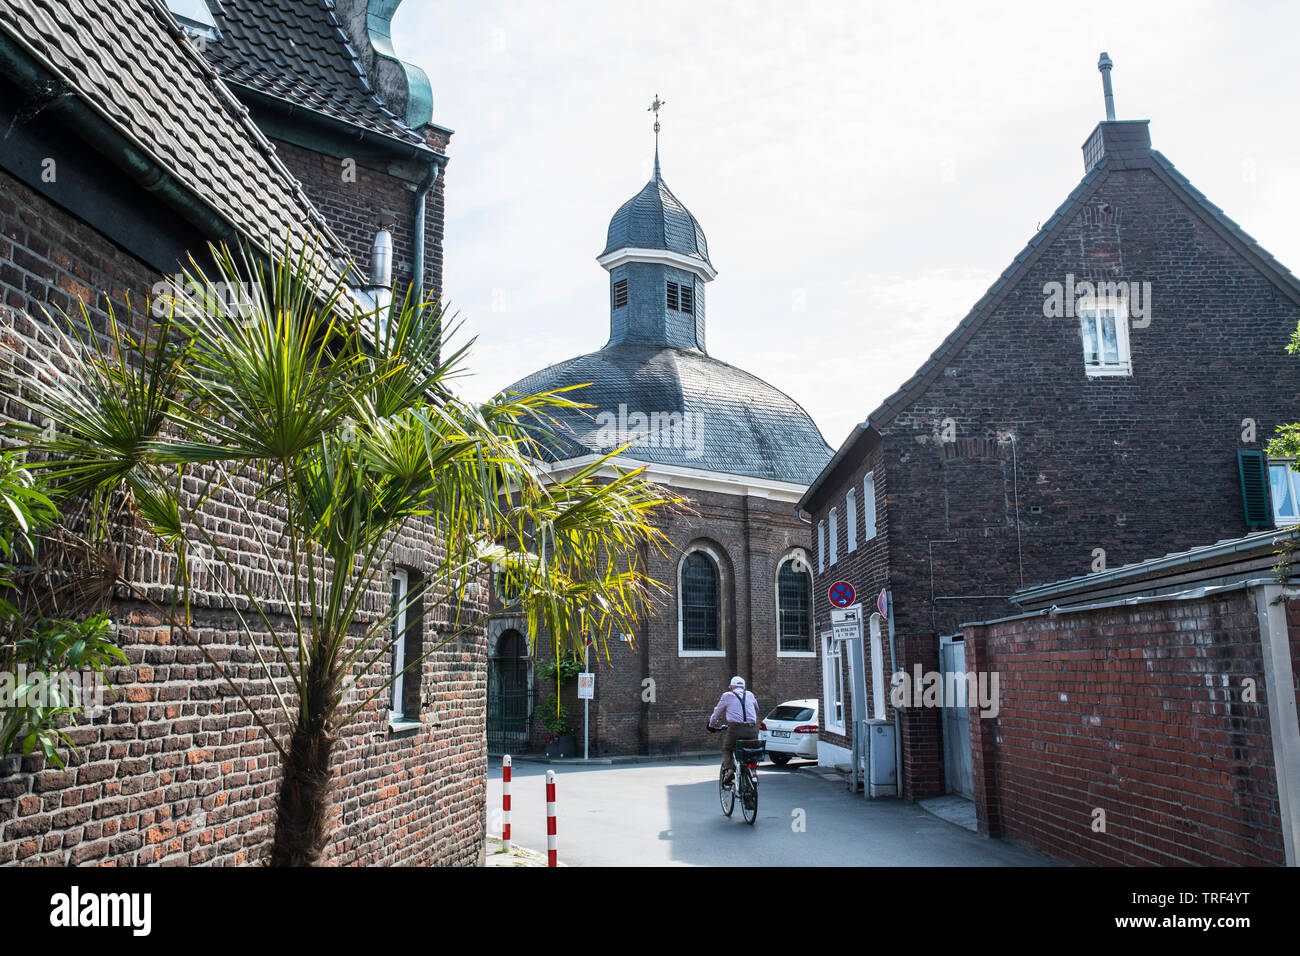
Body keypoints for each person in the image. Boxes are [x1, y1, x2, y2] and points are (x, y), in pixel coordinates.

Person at [708, 676, 759, 785]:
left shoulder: (727, 696)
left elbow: (717, 712)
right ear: (744, 687)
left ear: (731, 687)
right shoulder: (750, 695)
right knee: (750, 752)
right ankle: (752, 771)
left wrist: (711, 725)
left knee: (727, 749)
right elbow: (756, 709)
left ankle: (729, 770)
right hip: (751, 729)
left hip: (735, 729)